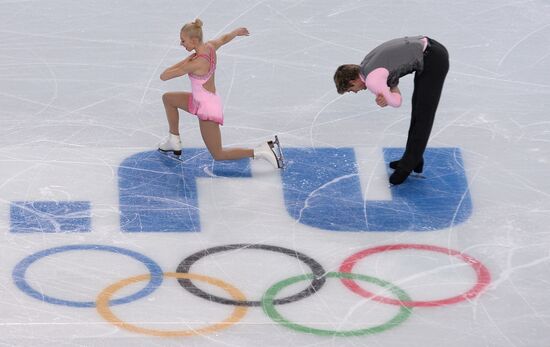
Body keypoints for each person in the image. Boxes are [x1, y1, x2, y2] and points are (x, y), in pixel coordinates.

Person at [158, 19, 282, 168]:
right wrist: (235, 32)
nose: (181, 43)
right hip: (201, 100)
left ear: (194, 40)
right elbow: (223, 39)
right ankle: (174, 139)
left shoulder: (196, 62)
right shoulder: (210, 46)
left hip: (206, 108)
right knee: (169, 99)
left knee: (218, 154)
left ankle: (260, 151)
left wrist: (186, 61)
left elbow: (164, 76)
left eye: (183, 40)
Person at [333, 36, 449, 185]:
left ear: (352, 81)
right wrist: (389, 92)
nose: (354, 92)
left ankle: (406, 167)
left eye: (350, 90)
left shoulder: (372, 81)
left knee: (423, 115)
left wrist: (388, 98)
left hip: (433, 60)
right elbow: (392, 72)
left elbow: (397, 102)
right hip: (430, 49)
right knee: (419, 111)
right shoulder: (366, 66)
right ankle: (414, 158)